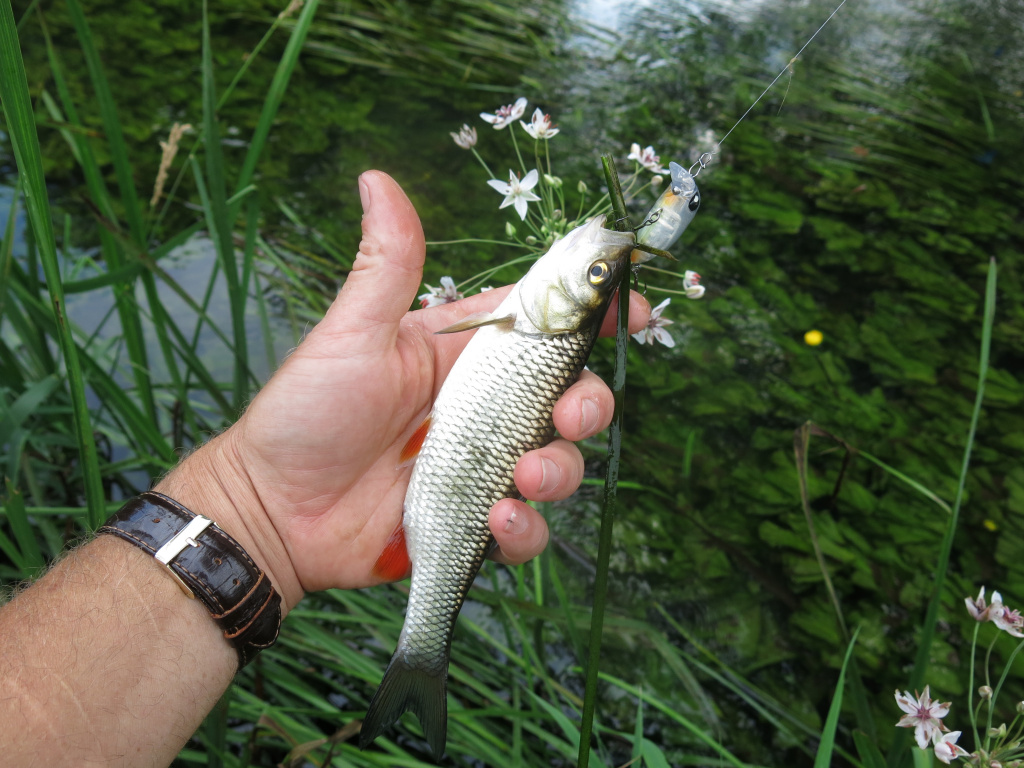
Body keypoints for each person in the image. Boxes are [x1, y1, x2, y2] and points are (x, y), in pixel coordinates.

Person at [0, 171, 651, 766]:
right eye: (601, 274)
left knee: (520, 491)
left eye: (595, 276)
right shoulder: (535, 315)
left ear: (575, 305)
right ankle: (419, 658)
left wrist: (254, 516)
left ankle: (420, 655)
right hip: (449, 469)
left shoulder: (537, 317)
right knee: (517, 487)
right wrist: (252, 510)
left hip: (451, 481)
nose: (594, 258)